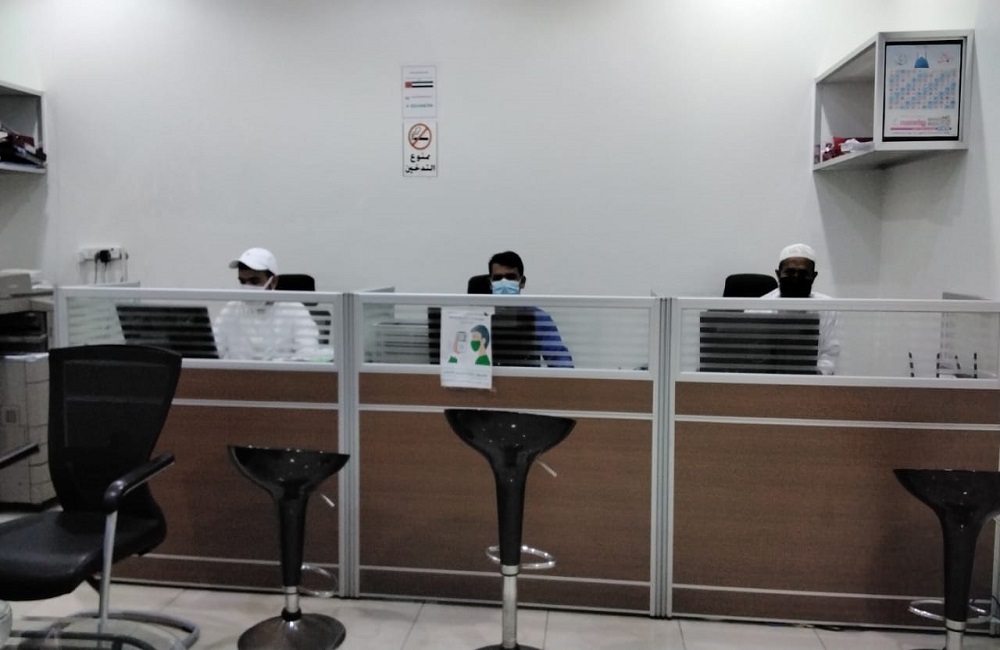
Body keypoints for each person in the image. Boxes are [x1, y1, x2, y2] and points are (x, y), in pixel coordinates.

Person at [213, 247, 324, 361]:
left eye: (254, 282)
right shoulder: (231, 308)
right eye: (242, 281)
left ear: (273, 282)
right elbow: (213, 350)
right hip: (237, 372)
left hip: (281, 372)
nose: (247, 287)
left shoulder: (294, 310)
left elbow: (308, 354)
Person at [760, 243, 840, 375]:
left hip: (812, 381)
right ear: (778, 274)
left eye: (803, 274)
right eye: (790, 272)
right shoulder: (758, 308)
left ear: (813, 276)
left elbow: (830, 354)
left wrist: (813, 376)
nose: (796, 278)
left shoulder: (828, 307)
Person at [487, 251, 573, 368]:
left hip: (526, 379)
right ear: (490, 283)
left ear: (522, 282)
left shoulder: (538, 318)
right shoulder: (479, 316)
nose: (504, 282)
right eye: (498, 278)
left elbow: (558, 357)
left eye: (510, 277)